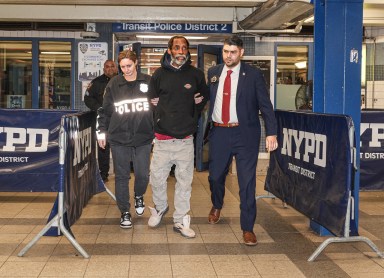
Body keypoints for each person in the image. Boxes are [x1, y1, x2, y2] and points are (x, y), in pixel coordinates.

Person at [207, 35, 278, 246]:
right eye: (225, 52)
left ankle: (248, 228)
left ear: (241, 52)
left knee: (246, 183)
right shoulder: (213, 73)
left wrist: (271, 132)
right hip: (219, 133)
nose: (228, 56)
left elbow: (265, 105)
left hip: (245, 134)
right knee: (214, 176)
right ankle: (217, 203)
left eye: (233, 52)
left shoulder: (253, 75)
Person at [148, 35, 208, 238]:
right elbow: (151, 99)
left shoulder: (196, 75)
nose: (181, 51)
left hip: (185, 141)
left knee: (184, 182)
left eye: (184, 48)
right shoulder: (158, 75)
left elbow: (203, 97)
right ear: (169, 50)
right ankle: (160, 207)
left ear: (187, 51)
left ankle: (180, 219)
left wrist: (196, 107)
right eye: (176, 48)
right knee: (156, 179)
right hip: (162, 139)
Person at [97, 50, 153, 229]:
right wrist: (101, 132)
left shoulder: (148, 81)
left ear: (136, 63)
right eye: (122, 67)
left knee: (143, 174)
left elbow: (159, 106)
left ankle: (138, 195)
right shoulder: (114, 84)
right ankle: (124, 211)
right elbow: (105, 110)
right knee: (121, 176)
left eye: (129, 66)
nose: (126, 70)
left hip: (143, 137)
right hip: (119, 136)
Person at [84, 59, 117, 182]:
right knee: (103, 147)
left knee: (120, 146)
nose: (110, 69)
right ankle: (103, 174)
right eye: (107, 67)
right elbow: (87, 98)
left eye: (112, 66)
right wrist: (99, 109)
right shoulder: (96, 82)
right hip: (103, 120)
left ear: (116, 67)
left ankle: (121, 173)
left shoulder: (122, 81)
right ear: (104, 69)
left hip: (119, 119)